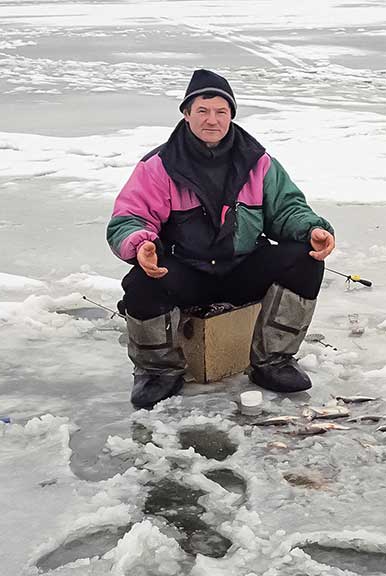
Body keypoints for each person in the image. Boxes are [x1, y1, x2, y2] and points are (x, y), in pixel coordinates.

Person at [106, 69, 335, 409]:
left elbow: (287, 209)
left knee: (306, 257)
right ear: (186, 113)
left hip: (242, 270)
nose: (211, 120)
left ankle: (274, 361)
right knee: (141, 279)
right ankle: (157, 371)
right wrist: (141, 245)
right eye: (202, 110)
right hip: (188, 273)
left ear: (231, 115)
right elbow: (127, 218)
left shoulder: (258, 163)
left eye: (221, 111)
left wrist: (312, 229)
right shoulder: (158, 166)